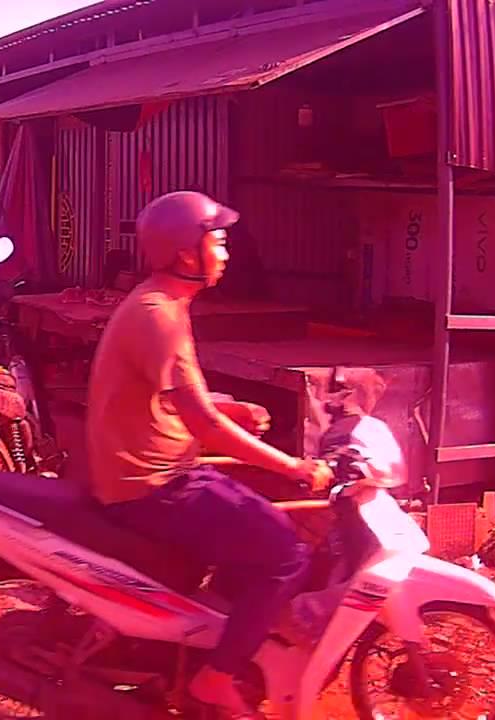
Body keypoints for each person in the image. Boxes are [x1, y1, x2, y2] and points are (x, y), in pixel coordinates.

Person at [86, 191, 331, 719]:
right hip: (151, 487)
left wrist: (230, 407)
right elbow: (205, 426)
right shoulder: (158, 315)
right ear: (185, 254)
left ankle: (205, 641)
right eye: (217, 242)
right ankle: (215, 681)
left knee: (256, 524)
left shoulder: (163, 304)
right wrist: (294, 466)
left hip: (163, 472)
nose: (226, 252)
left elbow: (177, 398)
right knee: (287, 552)